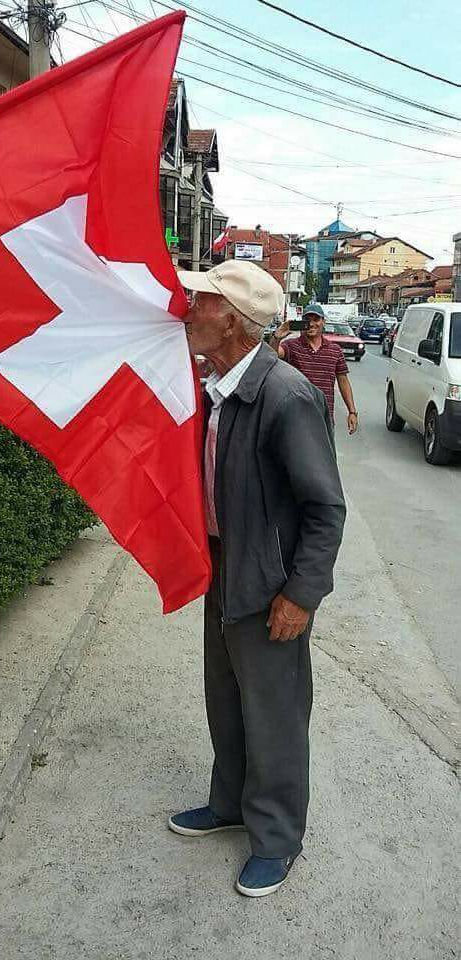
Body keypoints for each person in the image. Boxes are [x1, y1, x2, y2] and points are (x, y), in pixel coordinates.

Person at [169, 260, 346, 898]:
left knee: (273, 712)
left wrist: (301, 595)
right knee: (226, 697)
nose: (188, 309)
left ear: (236, 322)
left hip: (271, 585)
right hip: (225, 569)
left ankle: (275, 838)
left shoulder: (285, 395)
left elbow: (325, 508)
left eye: (202, 301)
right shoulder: (218, 383)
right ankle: (230, 804)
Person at [273, 303, 358, 435]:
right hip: (295, 418)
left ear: (323, 322)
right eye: (307, 320)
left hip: (324, 418)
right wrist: (277, 337)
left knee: (326, 455)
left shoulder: (335, 351)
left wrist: (352, 411)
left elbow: (343, 381)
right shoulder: (291, 346)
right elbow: (272, 355)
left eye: (316, 320)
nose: (311, 324)